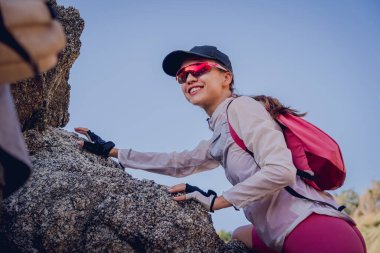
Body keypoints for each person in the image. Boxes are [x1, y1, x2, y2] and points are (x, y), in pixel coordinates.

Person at [75, 45, 366, 253]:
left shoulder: (241, 108)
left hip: (315, 232)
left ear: (226, 77)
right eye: (182, 76)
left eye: (199, 69)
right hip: (284, 235)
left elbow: (281, 171)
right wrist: (113, 151)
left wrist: (217, 201)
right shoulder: (220, 130)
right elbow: (179, 162)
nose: (189, 78)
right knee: (239, 235)